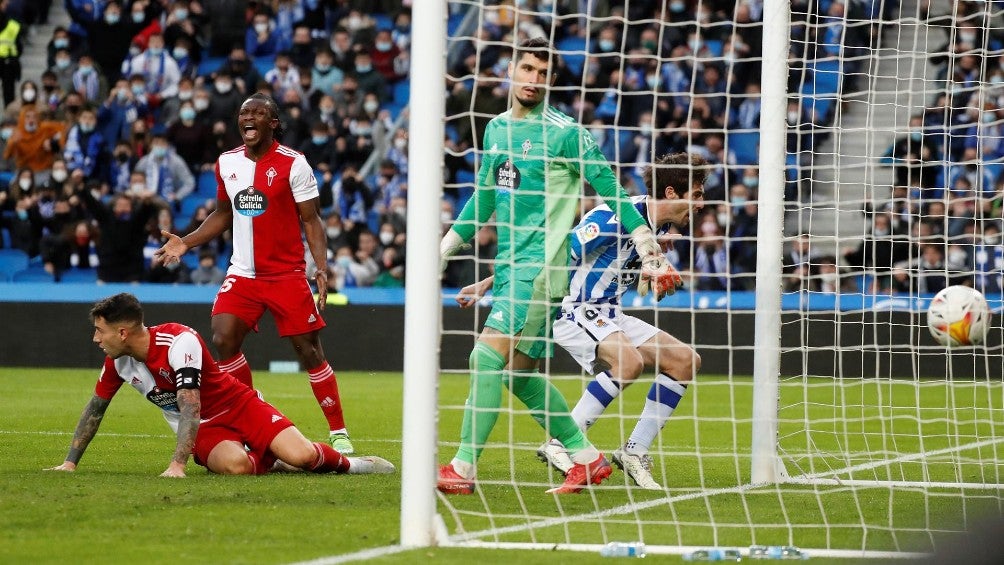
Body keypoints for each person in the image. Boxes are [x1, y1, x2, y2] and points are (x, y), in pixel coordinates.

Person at [436, 37, 675, 495]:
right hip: (510, 267)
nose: (534, 79)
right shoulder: (495, 130)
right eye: (527, 69)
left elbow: (609, 186)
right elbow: (484, 197)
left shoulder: (566, 132)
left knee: (483, 359)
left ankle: (462, 469)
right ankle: (585, 459)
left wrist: (645, 241)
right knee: (521, 375)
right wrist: (445, 247)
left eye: (544, 73)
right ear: (510, 70)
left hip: (540, 270)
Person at [458, 153, 706, 490]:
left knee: (685, 361)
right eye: (698, 193)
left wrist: (652, 258)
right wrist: (489, 283)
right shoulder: (612, 218)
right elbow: (555, 251)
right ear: (673, 193)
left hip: (608, 312)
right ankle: (562, 444)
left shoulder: (656, 227)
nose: (703, 203)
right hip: (572, 307)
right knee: (628, 362)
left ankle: (634, 451)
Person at [153, 93, 355, 454]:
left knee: (309, 351)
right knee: (223, 337)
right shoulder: (227, 162)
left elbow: (312, 219)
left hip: (286, 274)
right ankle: (251, 410)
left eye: (258, 113)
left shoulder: (295, 164)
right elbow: (221, 213)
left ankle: (338, 430)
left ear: (272, 123)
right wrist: (186, 242)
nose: (249, 117)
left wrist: (320, 267)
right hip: (243, 274)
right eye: (244, 112)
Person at [46, 293, 393, 477]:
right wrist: (70, 462)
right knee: (237, 468)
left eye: (100, 330)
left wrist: (177, 465)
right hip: (206, 430)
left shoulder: (180, 342)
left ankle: (355, 465)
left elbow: (190, 406)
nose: (95, 339)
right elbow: (95, 408)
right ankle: (273, 460)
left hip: (239, 405)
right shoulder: (117, 361)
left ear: (122, 332)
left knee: (303, 455)